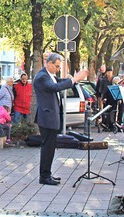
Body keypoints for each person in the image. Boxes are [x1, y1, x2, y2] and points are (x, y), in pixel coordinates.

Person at [33, 53, 88, 185]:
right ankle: (44, 176)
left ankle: (47, 174)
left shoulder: (49, 75)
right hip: (47, 117)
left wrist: (74, 79)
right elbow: (55, 87)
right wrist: (74, 79)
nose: (58, 69)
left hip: (51, 116)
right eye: (57, 66)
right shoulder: (42, 76)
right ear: (49, 63)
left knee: (51, 147)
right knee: (48, 147)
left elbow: (60, 82)